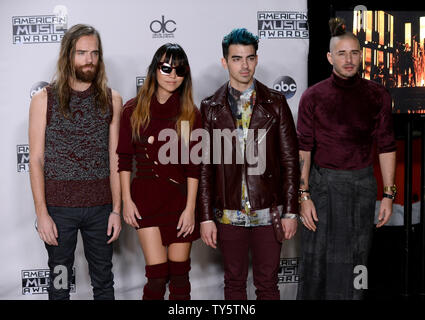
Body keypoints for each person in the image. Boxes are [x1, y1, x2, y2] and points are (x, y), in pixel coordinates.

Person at [296, 18, 397, 300]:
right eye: (342, 53)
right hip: (322, 185)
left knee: (357, 258)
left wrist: (388, 194)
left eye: (354, 52)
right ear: (330, 57)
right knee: (316, 259)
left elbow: (387, 146)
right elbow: (303, 148)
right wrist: (304, 196)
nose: (349, 59)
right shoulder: (312, 97)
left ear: (361, 55)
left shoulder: (378, 95)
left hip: (362, 186)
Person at [198, 28, 299, 300]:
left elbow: (290, 160)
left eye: (250, 58)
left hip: (269, 211)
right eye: (236, 58)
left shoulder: (276, 103)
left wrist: (291, 211)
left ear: (256, 59)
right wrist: (206, 216)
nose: (244, 65)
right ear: (225, 62)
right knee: (234, 285)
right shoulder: (210, 107)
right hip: (229, 213)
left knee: (268, 286)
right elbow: (206, 167)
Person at [29, 24, 122, 300]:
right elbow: (35, 159)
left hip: (100, 211)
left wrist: (116, 210)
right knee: (59, 284)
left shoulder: (111, 99)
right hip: (59, 212)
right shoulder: (44, 99)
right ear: (68, 55)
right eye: (81, 53)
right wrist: (42, 214)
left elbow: (115, 158)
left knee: (103, 282)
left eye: (94, 53)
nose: (89, 60)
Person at [117, 43, 201, 300]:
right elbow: (123, 158)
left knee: (179, 276)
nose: (172, 75)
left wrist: (190, 209)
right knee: (156, 277)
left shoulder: (189, 115)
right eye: (166, 68)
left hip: (178, 200)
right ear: (154, 69)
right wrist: (126, 201)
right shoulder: (133, 110)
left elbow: (192, 167)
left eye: (179, 70)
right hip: (145, 198)